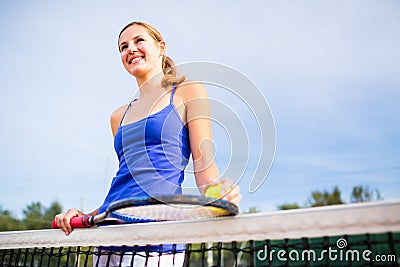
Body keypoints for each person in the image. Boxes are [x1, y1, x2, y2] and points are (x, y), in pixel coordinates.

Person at [54, 21, 242, 266]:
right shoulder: (117, 117)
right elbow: (127, 180)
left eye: (139, 40)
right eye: (123, 46)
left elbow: (203, 163)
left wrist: (218, 191)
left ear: (160, 47)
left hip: (157, 237)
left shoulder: (188, 91)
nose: (130, 49)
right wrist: (87, 215)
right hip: (109, 232)